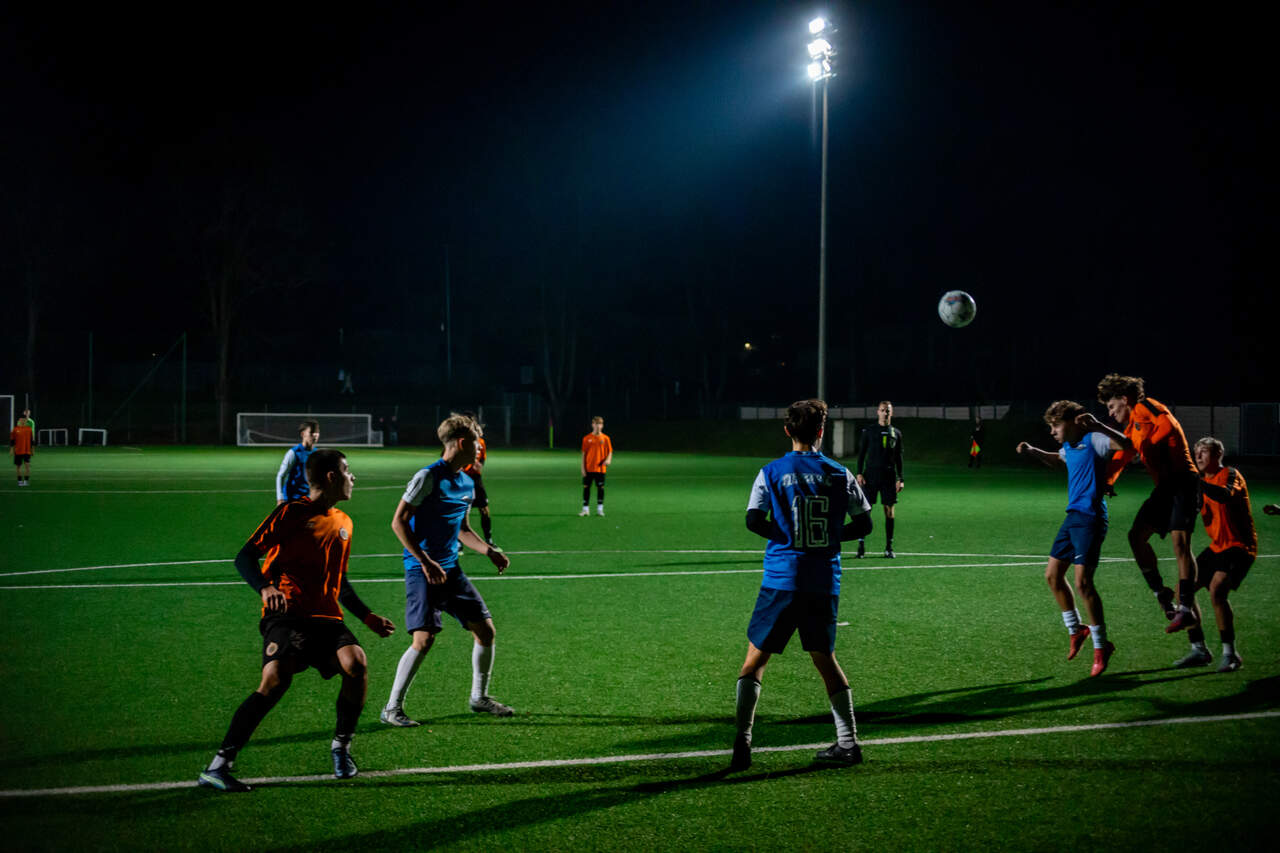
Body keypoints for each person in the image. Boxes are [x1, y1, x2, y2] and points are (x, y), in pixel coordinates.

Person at [197, 449, 396, 793]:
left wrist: (367, 617)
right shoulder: (290, 513)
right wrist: (265, 588)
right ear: (331, 477)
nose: (353, 478)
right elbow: (245, 557)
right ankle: (219, 766)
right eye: (347, 471)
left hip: (327, 618)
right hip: (288, 615)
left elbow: (340, 580)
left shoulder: (345, 523)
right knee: (274, 680)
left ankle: (341, 748)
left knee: (357, 664)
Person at [730, 398, 872, 772]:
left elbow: (752, 520)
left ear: (787, 430)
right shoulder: (839, 473)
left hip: (782, 579)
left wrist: (787, 535)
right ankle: (848, 743)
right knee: (825, 659)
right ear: (821, 431)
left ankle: (742, 741)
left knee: (754, 660)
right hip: (822, 580)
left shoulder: (771, 472)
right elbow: (865, 524)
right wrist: (828, 536)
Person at [381, 413, 515, 727]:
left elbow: (463, 529)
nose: (481, 448)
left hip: (451, 569)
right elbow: (398, 522)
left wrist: (489, 551)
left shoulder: (467, 481)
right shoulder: (427, 477)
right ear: (463, 442)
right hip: (421, 569)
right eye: (478, 442)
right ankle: (392, 708)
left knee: (485, 631)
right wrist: (425, 561)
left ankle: (479, 698)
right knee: (424, 639)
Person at [1016, 401, 1121, 677]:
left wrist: (1099, 425)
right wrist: (1034, 451)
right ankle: (1077, 630)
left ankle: (1101, 646)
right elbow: (1058, 459)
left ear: (1074, 423)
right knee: (1052, 576)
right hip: (1073, 517)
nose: (1052, 431)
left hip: (1091, 518)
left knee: (1083, 583)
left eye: (1056, 425)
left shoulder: (1094, 439)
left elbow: (1127, 445)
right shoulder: (1069, 446)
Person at [1095, 374, 1202, 632]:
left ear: (1125, 399)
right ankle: (1159, 591)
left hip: (1184, 482)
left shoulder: (1146, 406)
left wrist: (1151, 445)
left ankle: (1186, 609)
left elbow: (1169, 425)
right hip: (1165, 488)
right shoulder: (1132, 427)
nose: (1111, 413)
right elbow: (1124, 454)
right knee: (1136, 536)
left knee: (1181, 544)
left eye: (1112, 406)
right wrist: (1108, 480)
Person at [1174, 437, 1258, 672]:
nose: (1198, 456)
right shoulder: (1200, 482)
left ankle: (1230, 654)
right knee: (1183, 590)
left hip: (1240, 546)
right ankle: (1199, 649)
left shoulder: (1230, 474)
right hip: (1217, 546)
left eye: (1204, 451)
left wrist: (1198, 484)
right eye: (1196, 452)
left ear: (1219, 454)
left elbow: (1224, 495)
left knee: (1217, 589)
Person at [855, 400, 904, 558]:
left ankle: (889, 547)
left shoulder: (896, 433)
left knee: (889, 511)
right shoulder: (869, 431)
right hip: (870, 476)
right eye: (883, 410)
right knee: (866, 511)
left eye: (888, 410)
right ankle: (861, 546)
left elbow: (899, 458)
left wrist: (900, 478)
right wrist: (859, 473)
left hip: (888, 476)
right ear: (878, 412)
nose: (885, 413)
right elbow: (861, 454)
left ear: (891, 412)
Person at [460, 411, 497, 548]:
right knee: (462, 512)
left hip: (475, 479)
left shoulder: (480, 442)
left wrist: (479, 464)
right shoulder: (460, 441)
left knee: (484, 509)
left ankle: (489, 540)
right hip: (463, 479)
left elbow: (482, 459)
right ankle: (459, 543)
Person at [276, 420, 320, 504]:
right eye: (311, 432)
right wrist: (280, 498)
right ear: (303, 434)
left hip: (309, 498)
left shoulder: (317, 454)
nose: (315, 435)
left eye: (317, 432)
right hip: (293, 498)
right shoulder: (294, 453)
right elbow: (281, 475)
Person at [580, 415, 613, 517]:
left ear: (602, 425)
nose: (598, 426)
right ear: (592, 425)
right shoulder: (586, 438)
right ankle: (585, 509)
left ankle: (600, 509)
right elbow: (583, 454)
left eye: (600, 424)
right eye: (596, 424)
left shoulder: (606, 438)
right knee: (586, 487)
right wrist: (582, 468)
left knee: (600, 488)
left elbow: (610, 451)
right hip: (589, 468)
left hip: (600, 469)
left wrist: (608, 460)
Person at [10, 408, 34, 486]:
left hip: (27, 451)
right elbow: (12, 441)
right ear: (19, 421)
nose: (22, 421)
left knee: (27, 466)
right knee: (18, 467)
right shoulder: (15, 429)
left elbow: (31, 441)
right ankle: (20, 481)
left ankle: (26, 481)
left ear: (25, 421)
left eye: (24, 420)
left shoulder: (29, 429)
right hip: (18, 451)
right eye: (21, 420)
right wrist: (11, 450)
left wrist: (32, 450)